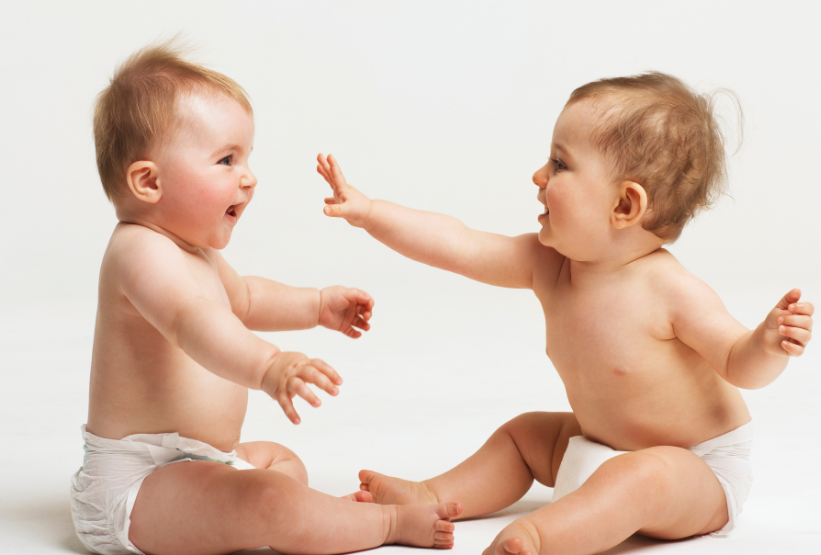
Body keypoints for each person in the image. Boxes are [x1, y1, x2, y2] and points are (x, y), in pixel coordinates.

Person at [317, 72, 814, 555]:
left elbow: (738, 364)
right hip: (596, 446)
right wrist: (371, 212)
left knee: (642, 476)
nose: (538, 176)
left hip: (696, 470)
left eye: (559, 164)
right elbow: (459, 244)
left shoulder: (669, 290)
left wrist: (766, 344)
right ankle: (431, 496)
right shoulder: (549, 265)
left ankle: (539, 540)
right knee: (525, 436)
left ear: (624, 205)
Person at [70, 41, 462, 555]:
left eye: (247, 158)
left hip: (205, 463)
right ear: (148, 181)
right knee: (268, 501)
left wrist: (315, 305)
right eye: (226, 159)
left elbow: (248, 299)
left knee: (281, 463)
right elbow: (192, 322)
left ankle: (305, 517)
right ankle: (385, 523)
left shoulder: (196, 253)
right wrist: (268, 365)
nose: (249, 177)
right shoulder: (137, 252)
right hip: (138, 486)